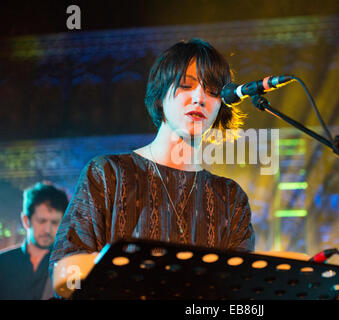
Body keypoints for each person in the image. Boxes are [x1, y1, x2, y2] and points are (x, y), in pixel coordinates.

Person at [49, 39, 255, 277]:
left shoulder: (230, 196)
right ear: (160, 95)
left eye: (213, 91)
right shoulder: (108, 173)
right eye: (186, 86)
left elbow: (240, 286)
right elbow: (64, 271)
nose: (200, 98)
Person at [0, 182, 68, 300]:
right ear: (26, 220)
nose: (47, 230)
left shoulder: (68, 266)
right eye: (41, 221)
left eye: (54, 222)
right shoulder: (2, 263)